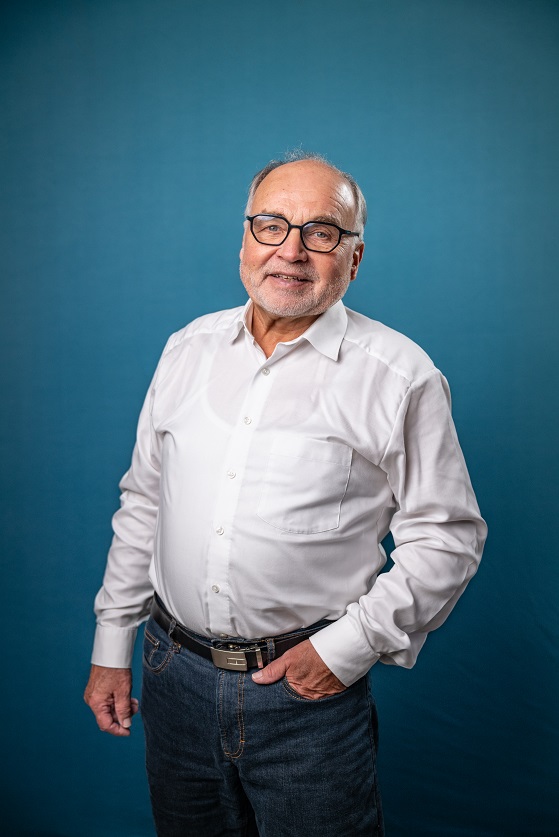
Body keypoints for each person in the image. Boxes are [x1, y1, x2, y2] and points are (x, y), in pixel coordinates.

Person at [84, 151, 487, 837]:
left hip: (305, 700)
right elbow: (145, 501)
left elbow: (448, 537)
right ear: (245, 239)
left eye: (321, 232)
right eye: (271, 225)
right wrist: (111, 644)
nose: (291, 251)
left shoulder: (400, 375)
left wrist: (347, 647)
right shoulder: (187, 348)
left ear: (354, 258)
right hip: (171, 674)